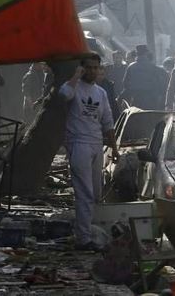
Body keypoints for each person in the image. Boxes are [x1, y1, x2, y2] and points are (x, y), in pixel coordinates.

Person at [59, 53, 117, 251]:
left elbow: (107, 120)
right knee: (84, 193)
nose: (92, 71)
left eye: (95, 68)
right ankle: (83, 239)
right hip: (78, 143)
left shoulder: (100, 92)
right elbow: (63, 94)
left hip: (96, 144)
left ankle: (87, 231)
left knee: (95, 193)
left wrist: (114, 148)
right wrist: (76, 76)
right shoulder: (74, 87)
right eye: (88, 67)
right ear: (82, 68)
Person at [121, 45, 167, 110]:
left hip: (136, 100)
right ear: (146, 53)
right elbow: (161, 86)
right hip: (152, 101)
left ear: (137, 54)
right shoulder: (154, 68)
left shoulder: (131, 67)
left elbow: (125, 84)